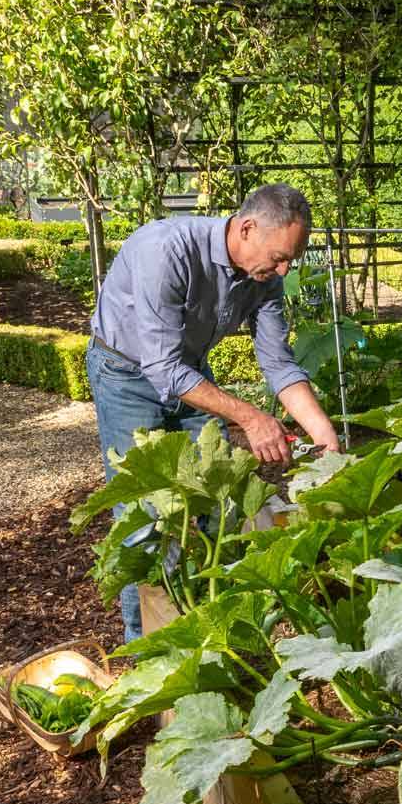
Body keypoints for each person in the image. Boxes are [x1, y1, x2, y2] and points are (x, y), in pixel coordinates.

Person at [85, 182, 341, 639]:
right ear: (246, 228)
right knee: (142, 520)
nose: (284, 269)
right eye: (280, 256)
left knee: (216, 506)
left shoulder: (265, 278)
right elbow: (161, 366)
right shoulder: (166, 251)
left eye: (290, 261)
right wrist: (250, 417)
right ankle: (144, 650)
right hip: (125, 374)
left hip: (187, 372)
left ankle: (205, 633)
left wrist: (323, 434)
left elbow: (277, 363)